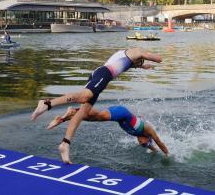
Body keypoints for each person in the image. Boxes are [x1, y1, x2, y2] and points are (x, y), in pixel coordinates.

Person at [30, 48, 162, 163]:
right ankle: (47, 103)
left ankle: (65, 144)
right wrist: (150, 56)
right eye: (139, 62)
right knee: (84, 96)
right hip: (103, 73)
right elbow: (158, 58)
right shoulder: (137, 51)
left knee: (83, 113)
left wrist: (144, 66)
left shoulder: (130, 60)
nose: (137, 64)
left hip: (102, 76)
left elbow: (133, 64)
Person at [47, 105, 169, 160]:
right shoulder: (148, 130)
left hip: (119, 117)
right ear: (147, 138)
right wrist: (167, 155)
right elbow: (159, 142)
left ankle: (64, 118)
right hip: (121, 112)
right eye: (143, 143)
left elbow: (153, 147)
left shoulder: (139, 136)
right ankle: (75, 110)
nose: (140, 143)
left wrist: (155, 151)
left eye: (142, 144)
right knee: (99, 115)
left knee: (93, 119)